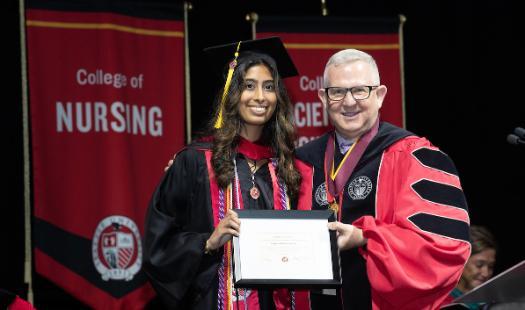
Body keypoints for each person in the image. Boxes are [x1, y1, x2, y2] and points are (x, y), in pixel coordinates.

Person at [143, 37, 313, 310]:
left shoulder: (286, 168)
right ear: (231, 94)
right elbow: (158, 246)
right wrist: (208, 241)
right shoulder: (196, 162)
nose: (260, 97)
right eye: (249, 86)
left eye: (269, 87)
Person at [294, 48, 471, 309]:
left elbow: (444, 246)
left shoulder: (415, 157)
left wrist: (366, 237)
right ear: (323, 97)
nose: (349, 101)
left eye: (360, 90)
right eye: (338, 92)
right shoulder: (301, 161)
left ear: (380, 95)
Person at [445, 225, 497, 309]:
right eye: (479, 265)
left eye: (490, 266)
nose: (486, 273)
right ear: (461, 261)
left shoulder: (493, 301)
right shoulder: (440, 302)